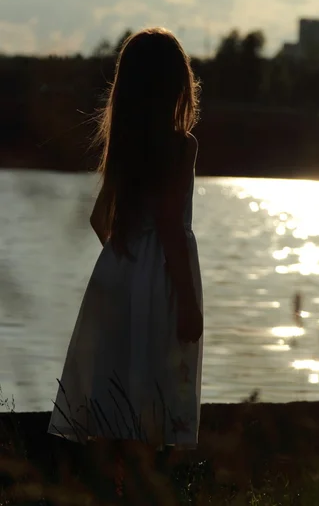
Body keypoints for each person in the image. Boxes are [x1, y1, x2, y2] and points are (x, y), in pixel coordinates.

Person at [48, 28, 204, 468]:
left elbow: (100, 219)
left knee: (116, 386)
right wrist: (188, 304)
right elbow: (172, 227)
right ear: (177, 85)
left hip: (116, 274)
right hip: (161, 282)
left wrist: (126, 258)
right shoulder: (180, 146)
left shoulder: (125, 147)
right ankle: (145, 483)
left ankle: (111, 485)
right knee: (154, 384)